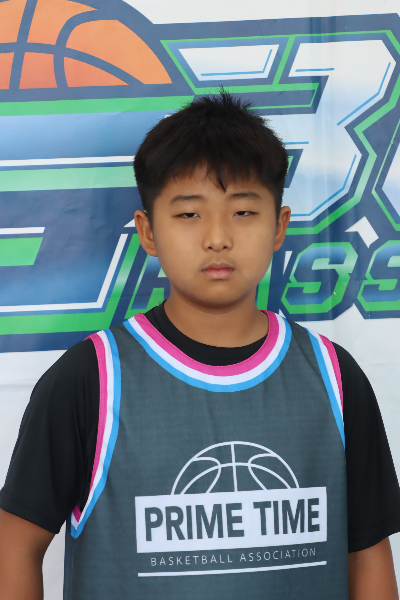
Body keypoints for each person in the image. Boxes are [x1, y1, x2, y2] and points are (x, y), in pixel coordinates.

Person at [0, 92, 399, 600]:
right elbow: (14, 546)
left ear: (279, 226)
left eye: (243, 212)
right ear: (148, 231)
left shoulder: (333, 377)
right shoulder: (91, 379)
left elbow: (368, 556)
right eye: (189, 214)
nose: (217, 238)